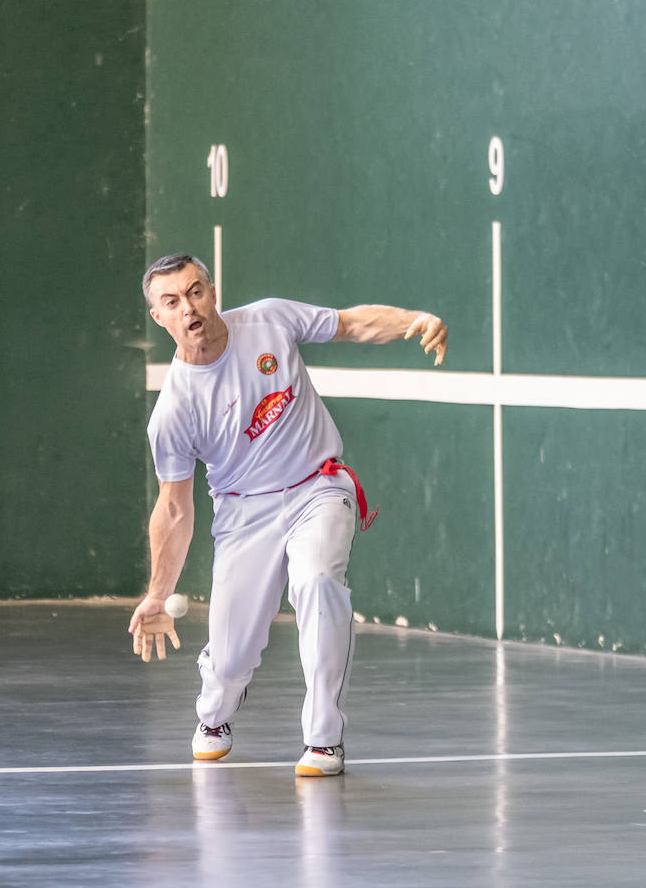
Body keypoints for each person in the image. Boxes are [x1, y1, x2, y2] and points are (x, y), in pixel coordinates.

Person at [128, 253, 448, 777]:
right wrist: (158, 593)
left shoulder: (269, 320)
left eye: (195, 291)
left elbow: (351, 322)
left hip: (317, 487)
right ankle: (215, 714)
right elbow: (174, 507)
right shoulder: (174, 411)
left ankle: (324, 739)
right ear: (158, 317)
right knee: (231, 659)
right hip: (243, 515)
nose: (188, 307)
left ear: (211, 291)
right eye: (172, 301)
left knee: (319, 581)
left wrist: (413, 321)